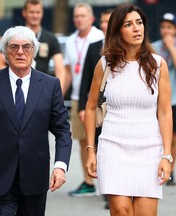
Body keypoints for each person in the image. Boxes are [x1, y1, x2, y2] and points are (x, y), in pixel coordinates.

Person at [0, 26, 72, 216]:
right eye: (14, 47)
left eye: (26, 47)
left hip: (35, 178)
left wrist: (60, 167)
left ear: (34, 51)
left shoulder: (50, 85)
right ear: (5, 51)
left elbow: (63, 131)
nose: (20, 52)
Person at [84, 4, 173, 215]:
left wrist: (166, 156)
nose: (136, 29)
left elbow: (165, 112)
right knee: (121, 212)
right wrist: (90, 150)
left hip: (149, 148)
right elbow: (90, 108)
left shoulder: (158, 65)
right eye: (128, 24)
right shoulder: (104, 64)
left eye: (139, 23)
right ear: (117, 31)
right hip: (113, 148)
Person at [64, 2, 104, 197]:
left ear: (91, 18)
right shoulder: (70, 41)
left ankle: (105, 182)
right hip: (77, 98)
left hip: (98, 99)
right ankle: (88, 181)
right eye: (76, 16)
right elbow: (67, 71)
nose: (79, 19)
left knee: (101, 141)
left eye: (83, 16)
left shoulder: (100, 38)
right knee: (82, 140)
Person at [78, 8, 113, 208]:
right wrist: (83, 108)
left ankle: (112, 191)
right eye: (102, 21)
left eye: (108, 21)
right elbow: (85, 79)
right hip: (97, 107)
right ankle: (107, 189)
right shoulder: (93, 47)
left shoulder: (127, 47)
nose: (104, 25)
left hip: (118, 106)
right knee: (100, 147)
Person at [0, 0, 66, 95]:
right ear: (24, 13)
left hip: (41, 89)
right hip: (17, 87)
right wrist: (15, 78)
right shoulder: (14, 37)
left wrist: (57, 93)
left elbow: (60, 69)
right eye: (31, 12)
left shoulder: (51, 38)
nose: (35, 15)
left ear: (42, 13)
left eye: (37, 12)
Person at [152, 12, 176, 186]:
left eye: (169, 27)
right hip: (155, 100)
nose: (165, 31)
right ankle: (154, 166)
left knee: (173, 137)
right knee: (155, 136)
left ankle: (171, 169)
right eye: (163, 27)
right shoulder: (153, 47)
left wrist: (171, 48)